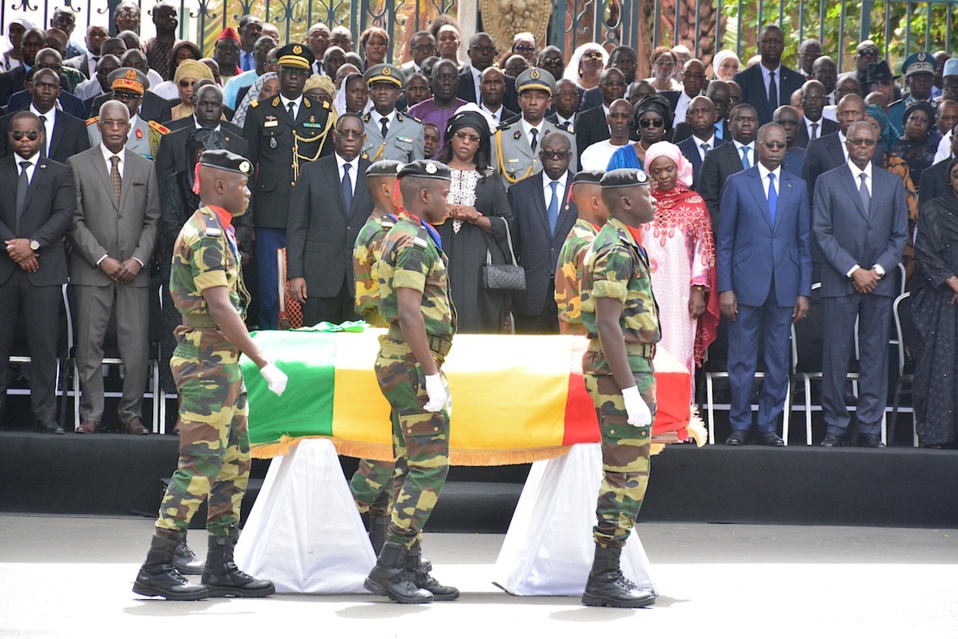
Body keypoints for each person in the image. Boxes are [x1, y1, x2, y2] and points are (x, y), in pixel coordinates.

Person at [133, 149, 284, 600]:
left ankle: (221, 562)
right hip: (206, 361)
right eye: (242, 184)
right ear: (220, 185)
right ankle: (157, 565)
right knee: (200, 463)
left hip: (220, 362)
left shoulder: (219, 229)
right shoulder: (206, 234)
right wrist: (262, 359)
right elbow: (220, 306)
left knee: (234, 462)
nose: (248, 191)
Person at [363, 159, 458, 604]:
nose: (448, 200)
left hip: (405, 361)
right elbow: (408, 311)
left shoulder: (408, 234)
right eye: (443, 193)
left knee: (407, 466)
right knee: (428, 468)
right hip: (411, 363)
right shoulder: (414, 241)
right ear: (424, 195)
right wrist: (431, 372)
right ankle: (389, 566)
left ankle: (409, 565)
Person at [577, 168, 658, 608]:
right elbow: (607, 323)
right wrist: (628, 391)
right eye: (646, 194)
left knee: (629, 475)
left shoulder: (621, 242)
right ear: (625, 201)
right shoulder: (614, 247)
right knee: (624, 476)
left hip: (629, 367)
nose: (654, 200)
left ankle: (608, 571)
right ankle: (604, 576)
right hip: (620, 371)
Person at [813, 121, 908, 448]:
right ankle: (836, 426)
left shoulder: (892, 184)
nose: (864, 147)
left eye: (869, 142)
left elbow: (899, 236)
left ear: (877, 144)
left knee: (875, 356)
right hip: (842, 281)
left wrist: (876, 271)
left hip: (879, 284)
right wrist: (854, 270)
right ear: (848, 143)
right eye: (858, 142)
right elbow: (822, 233)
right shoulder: (827, 182)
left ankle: (869, 427)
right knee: (836, 356)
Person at [68, 100, 160, 435]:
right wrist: (101, 258)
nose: (117, 129)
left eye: (123, 123)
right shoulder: (77, 165)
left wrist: (137, 259)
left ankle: (130, 414)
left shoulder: (145, 167)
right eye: (110, 123)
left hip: (135, 272)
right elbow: (74, 221)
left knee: (135, 348)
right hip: (92, 271)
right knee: (88, 346)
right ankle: (92, 414)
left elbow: (153, 221)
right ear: (98, 126)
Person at [717, 123, 812, 446]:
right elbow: (725, 240)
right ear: (758, 146)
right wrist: (725, 287)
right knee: (741, 359)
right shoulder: (737, 183)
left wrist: (803, 290)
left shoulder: (796, 186)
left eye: (780, 145)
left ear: (786, 148)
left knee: (778, 360)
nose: (775, 150)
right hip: (744, 286)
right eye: (770, 144)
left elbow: (803, 242)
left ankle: (768, 425)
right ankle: (740, 424)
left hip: (784, 286)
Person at [243, 43, 334, 330]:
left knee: (307, 289)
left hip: (311, 216)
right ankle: (271, 351)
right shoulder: (259, 112)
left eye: (300, 72)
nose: (294, 77)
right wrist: (248, 221)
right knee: (272, 292)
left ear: (307, 76)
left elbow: (328, 168)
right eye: (288, 71)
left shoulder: (321, 113)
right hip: (272, 213)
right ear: (278, 73)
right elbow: (247, 167)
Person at [0, 111, 76, 434]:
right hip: (4, 270)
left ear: (41, 136)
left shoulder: (60, 172)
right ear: (9, 136)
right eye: (18, 135)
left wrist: (31, 245)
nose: (25, 141)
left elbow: (64, 215)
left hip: (43, 270)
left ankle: (45, 415)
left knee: (44, 347)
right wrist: (14, 248)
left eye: (31, 135)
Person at [349, 160, 403, 551]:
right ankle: (344, 517)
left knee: (389, 441)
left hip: (387, 337)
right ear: (387, 190)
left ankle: (379, 535)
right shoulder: (384, 236)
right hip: (389, 339)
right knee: (387, 446)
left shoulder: (386, 230)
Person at [643, 142, 719, 393]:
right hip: (644, 294)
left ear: (678, 169)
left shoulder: (694, 203)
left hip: (681, 296)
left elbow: (704, 248)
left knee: (678, 351)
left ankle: (679, 424)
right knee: (647, 355)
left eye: (669, 169)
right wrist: (642, 194)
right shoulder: (639, 204)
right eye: (657, 171)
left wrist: (699, 289)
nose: (663, 176)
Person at [287, 113, 370, 326]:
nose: (350, 138)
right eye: (345, 133)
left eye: (355, 134)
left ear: (364, 138)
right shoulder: (311, 172)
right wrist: (295, 274)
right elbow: (297, 227)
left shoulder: (375, 176)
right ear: (334, 136)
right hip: (319, 279)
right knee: (315, 347)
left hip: (362, 282)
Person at [435, 110, 514, 333]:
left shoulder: (490, 178)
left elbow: (506, 222)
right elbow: (418, 213)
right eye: (461, 135)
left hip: (479, 257)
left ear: (480, 144)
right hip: (440, 251)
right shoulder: (434, 173)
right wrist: (446, 210)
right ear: (451, 136)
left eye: (473, 138)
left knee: (477, 315)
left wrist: (476, 217)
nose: (466, 142)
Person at [912, 158, 958, 447]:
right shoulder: (934, 210)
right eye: (956, 174)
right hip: (943, 300)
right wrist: (953, 281)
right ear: (949, 179)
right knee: (942, 363)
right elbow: (925, 253)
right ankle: (939, 435)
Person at [492, 68, 577, 188]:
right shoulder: (500, 137)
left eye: (539, 97)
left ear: (549, 102)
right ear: (519, 101)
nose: (533, 102)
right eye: (527, 97)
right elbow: (494, 185)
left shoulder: (566, 137)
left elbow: (570, 184)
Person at [555, 170, 607, 334]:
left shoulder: (579, 235)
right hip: (586, 336)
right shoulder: (590, 244)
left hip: (576, 333)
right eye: (611, 200)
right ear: (596, 203)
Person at [0, 68, 90, 163]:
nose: (46, 91)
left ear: (59, 91)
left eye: (52, 86)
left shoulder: (77, 127)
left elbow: (82, 165)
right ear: (30, 87)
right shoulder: (6, 124)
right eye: (41, 85)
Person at [87, 68, 171, 160]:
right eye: (119, 94)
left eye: (131, 96)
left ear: (140, 101)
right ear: (112, 97)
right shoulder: (91, 129)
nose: (124, 100)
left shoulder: (153, 135)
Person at [733, 25, 806, 125]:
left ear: (783, 46)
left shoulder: (797, 80)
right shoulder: (743, 79)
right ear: (759, 45)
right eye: (767, 41)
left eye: (777, 42)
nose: (772, 45)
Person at [699, 103, 758, 221]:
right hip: (728, 231)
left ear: (758, 125)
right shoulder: (715, 157)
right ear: (730, 125)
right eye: (740, 119)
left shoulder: (766, 155)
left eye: (751, 119)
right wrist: (724, 230)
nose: (746, 123)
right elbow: (708, 201)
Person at [362, 64, 425, 163]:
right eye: (377, 88)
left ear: (398, 94)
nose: (382, 92)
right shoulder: (358, 124)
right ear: (370, 94)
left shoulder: (414, 127)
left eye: (388, 88)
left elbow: (417, 169)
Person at [407, 60, 467, 149]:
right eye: (442, 77)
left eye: (452, 77)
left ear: (458, 81)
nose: (447, 82)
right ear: (431, 80)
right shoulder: (415, 112)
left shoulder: (468, 110)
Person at [607, 94, 672, 170]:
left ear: (665, 125)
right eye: (645, 122)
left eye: (657, 122)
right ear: (638, 125)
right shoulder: (621, 155)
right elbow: (609, 181)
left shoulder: (673, 153)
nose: (651, 127)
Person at [676, 96, 726, 188]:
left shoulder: (727, 148)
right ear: (687, 119)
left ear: (715, 116)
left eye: (705, 110)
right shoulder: (678, 151)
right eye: (694, 112)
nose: (700, 115)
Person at [575, 68, 627, 157]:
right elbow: (581, 154)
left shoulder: (634, 117)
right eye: (610, 84)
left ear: (625, 88)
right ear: (600, 88)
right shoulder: (585, 119)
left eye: (619, 84)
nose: (615, 87)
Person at [891, 101, 938, 184]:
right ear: (905, 122)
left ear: (928, 127)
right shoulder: (891, 147)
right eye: (913, 118)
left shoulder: (933, 152)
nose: (918, 123)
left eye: (924, 120)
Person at [580, 98, 631, 171]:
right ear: (608, 119)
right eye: (614, 116)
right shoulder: (592, 152)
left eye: (624, 116)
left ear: (632, 119)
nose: (619, 121)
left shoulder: (640, 151)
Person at [796, 80, 839, 147]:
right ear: (801, 101)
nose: (813, 102)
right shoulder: (794, 128)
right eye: (808, 98)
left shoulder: (836, 129)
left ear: (825, 101)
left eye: (818, 97)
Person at [143, 3, 177, 82]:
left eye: (173, 14)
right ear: (154, 19)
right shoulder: (146, 46)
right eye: (164, 15)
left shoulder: (184, 48)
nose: (170, 17)